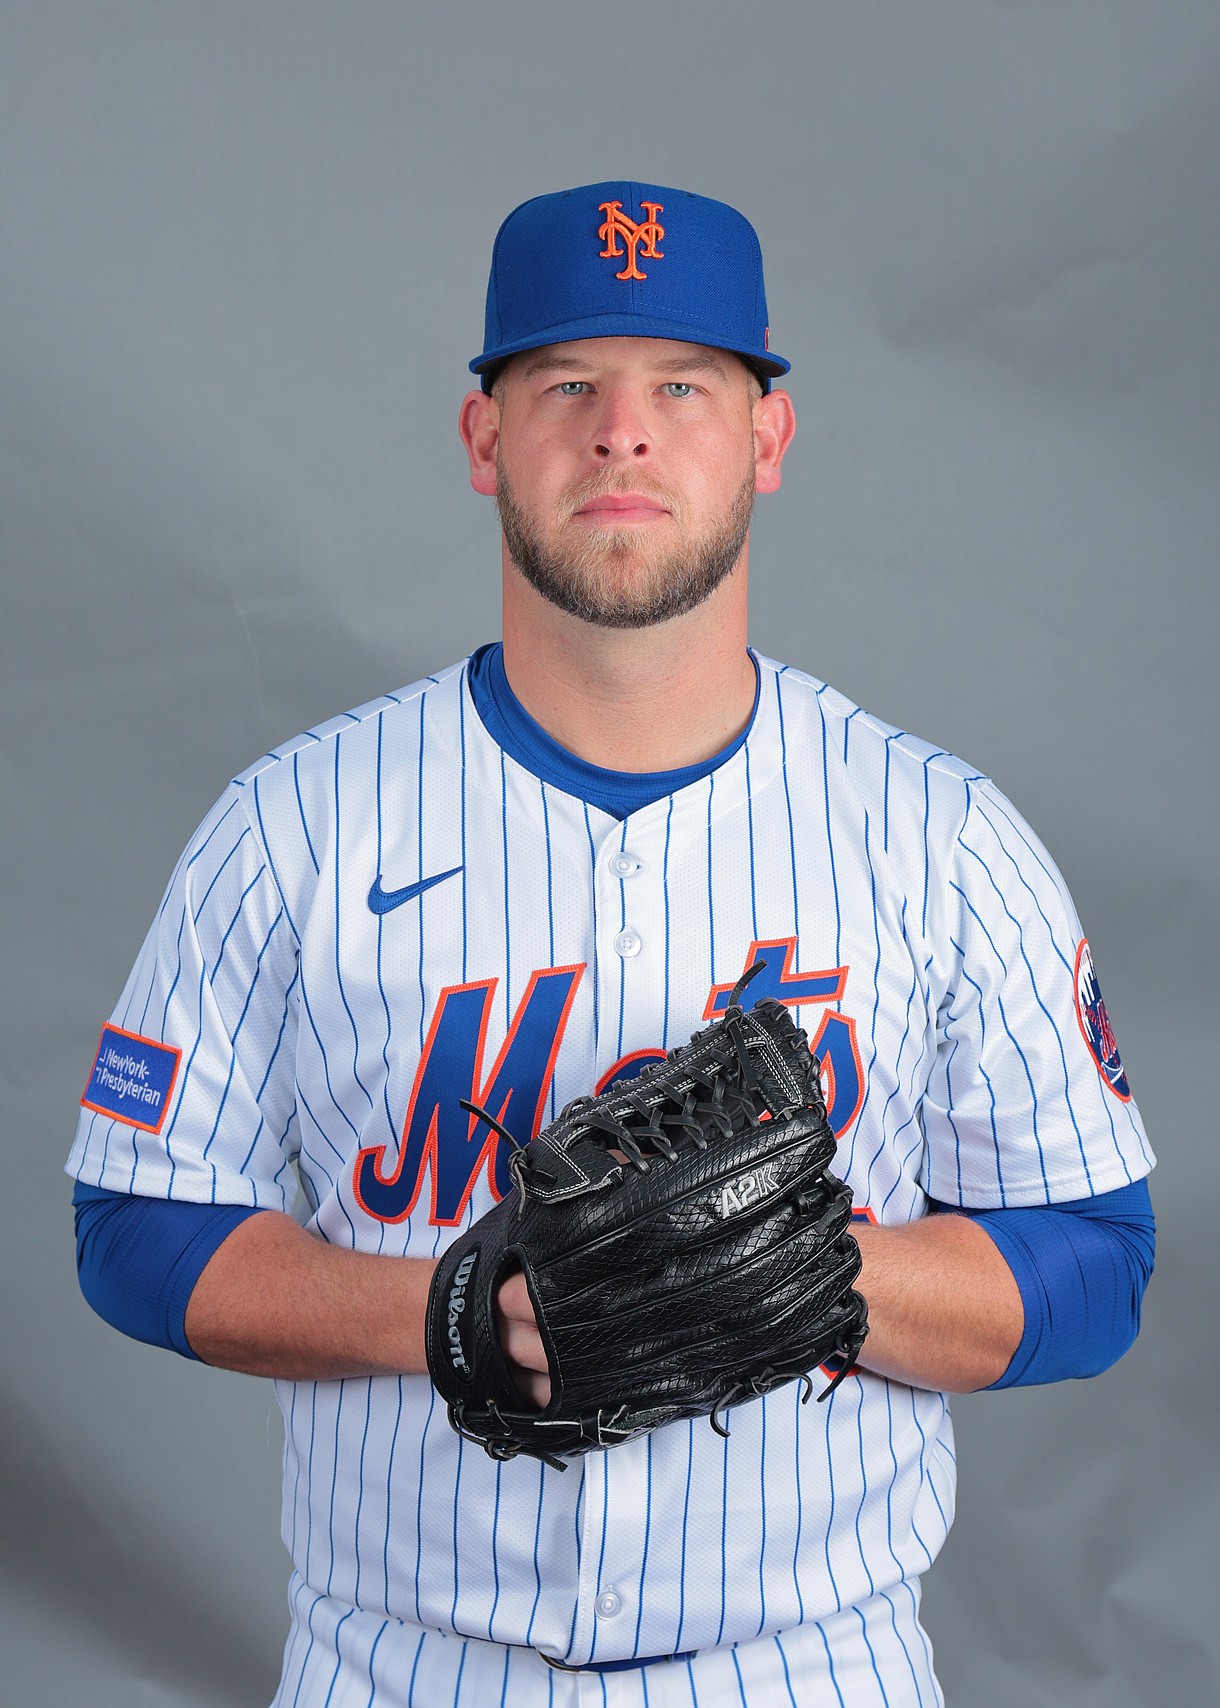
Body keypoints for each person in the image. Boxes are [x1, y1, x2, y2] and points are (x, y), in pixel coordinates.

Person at [69, 181, 1156, 1707]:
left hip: (811, 1674)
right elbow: (134, 1229)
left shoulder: (938, 835)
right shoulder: (295, 827)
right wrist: (445, 1309)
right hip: (403, 1671)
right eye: (567, 382)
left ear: (767, 441)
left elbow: (1099, 1260)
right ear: (483, 438)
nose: (622, 432)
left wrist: (820, 1275)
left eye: (685, 387)